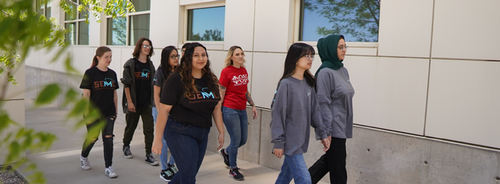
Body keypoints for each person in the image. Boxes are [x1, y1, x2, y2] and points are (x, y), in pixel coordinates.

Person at [152, 42, 225, 184]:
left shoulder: (211, 79)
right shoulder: (176, 79)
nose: (201, 58)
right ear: (188, 58)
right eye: (196, 55)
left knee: (188, 173)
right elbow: (164, 110)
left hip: (202, 133)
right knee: (189, 177)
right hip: (179, 131)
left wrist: (221, 131)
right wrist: (158, 138)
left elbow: (216, 107)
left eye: (203, 55)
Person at [271, 43, 330, 184]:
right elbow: (278, 114)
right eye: (307, 56)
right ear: (296, 58)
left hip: (301, 140)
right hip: (291, 142)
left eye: (312, 56)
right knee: (304, 180)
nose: (310, 59)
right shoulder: (286, 84)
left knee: (285, 176)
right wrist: (278, 142)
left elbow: (315, 111)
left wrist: (322, 133)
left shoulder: (309, 83)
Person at [308, 35, 354, 184]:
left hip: (342, 125)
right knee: (338, 169)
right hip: (332, 127)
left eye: (345, 46)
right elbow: (322, 104)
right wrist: (325, 131)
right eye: (340, 47)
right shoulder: (325, 73)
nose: (344, 50)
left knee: (329, 162)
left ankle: (303, 181)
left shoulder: (342, 70)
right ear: (330, 49)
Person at [217, 45, 258, 181]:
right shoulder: (226, 72)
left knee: (243, 139)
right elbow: (221, 92)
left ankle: (226, 151)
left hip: (242, 109)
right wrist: (219, 110)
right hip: (229, 109)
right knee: (235, 139)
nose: (241, 56)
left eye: (242, 54)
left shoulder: (244, 71)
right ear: (231, 57)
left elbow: (245, 91)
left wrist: (252, 105)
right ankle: (233, 169)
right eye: (237, 54)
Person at [79, 46, 119, 178]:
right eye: (106, 57)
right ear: (98, 57)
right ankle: (84, 156)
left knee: (108, 139)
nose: (109, 59)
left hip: (109, 112)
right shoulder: (90, 73)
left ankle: (109, 167)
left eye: (110, 57)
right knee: (93, 138)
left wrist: (115, 111)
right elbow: (86, 94)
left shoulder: (112, 74)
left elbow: (114, 93)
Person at [121, 37, 158, 166]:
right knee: (131, 127)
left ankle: (149, 154)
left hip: (147, 104)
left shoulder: (150, 65)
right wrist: (130, 102)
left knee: (149, 129)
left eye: (149, 46)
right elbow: (126, 85)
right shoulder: (131, 64)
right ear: (139, 47)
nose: (147, 48)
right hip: (134, 103)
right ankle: (126, 145)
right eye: (145, 46)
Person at [152, 46, 179, 181]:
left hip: (176, 111)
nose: (176, 58)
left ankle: (171, 164)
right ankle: (163, 169)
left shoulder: (180, 71)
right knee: (163, 139)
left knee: (176, 139)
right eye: (173, 56)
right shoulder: (160, 72)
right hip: (161, 110)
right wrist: (159, 111)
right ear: (166, 58)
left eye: (177, 56)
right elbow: (156, 94)